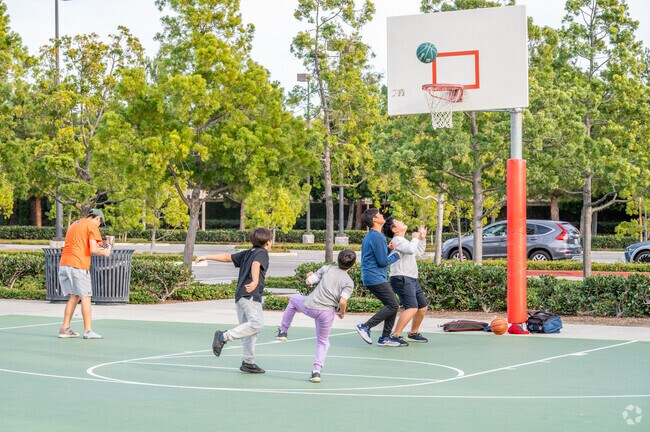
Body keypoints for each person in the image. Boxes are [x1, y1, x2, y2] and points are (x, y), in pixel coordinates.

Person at [195, 228, 273, 374]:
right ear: (268, 241)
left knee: (248, 330)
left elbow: (226, 257)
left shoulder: (248, 252)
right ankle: (223, 336)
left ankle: (248, 363)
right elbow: (256, 264)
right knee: (256, 324)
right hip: (250, 295)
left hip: (240, 296)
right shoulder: (262, 252)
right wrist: (255, 280)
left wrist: (206, 256)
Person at [275, 249, 356, 383]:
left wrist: (309, 275)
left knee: (294, 300)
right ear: (352, 265)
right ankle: (316, 372)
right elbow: (342, 300)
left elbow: (309, 282)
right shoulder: (349, 282)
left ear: (338, 260)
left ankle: (283, 332)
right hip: (327, 313)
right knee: (323, 342)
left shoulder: (326, 269)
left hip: (310, 306)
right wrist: (342, 312)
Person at [58, 209, 111, 340]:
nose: (99, 225)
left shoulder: (75, 224)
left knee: (74, 297)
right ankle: (88, 331)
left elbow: (86, 244)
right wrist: (106, 251)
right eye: (100, 222)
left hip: (65, 264)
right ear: (97, 218)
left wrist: (104, 245)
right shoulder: (92, 226)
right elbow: (93, 249)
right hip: (78, 265)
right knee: (86, 297)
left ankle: (65, 329)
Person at [355, 208, 404, 347]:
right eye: (380, 215)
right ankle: (365, 326)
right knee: (393, 304)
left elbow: (377, 255)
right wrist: (396, 255)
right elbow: (382, 262)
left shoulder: (372, 236)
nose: (383, 216)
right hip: (375, 277)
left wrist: (388, 249)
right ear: (375, 219)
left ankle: (385, 338)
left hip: (372, 277)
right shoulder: (377, 236)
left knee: (392, 305)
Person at [382, 217, 429, 343]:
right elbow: (411, 249)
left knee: (422, 307)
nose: (403, 222)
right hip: (401, 277)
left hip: (411, 277)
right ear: (395, 229)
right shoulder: (397, 240)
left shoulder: (403, 240)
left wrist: (422, 239)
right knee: (412, 307)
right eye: (399, 222)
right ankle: (395, 335)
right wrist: (415, 238)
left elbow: (418, 253)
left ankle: (413, 333)